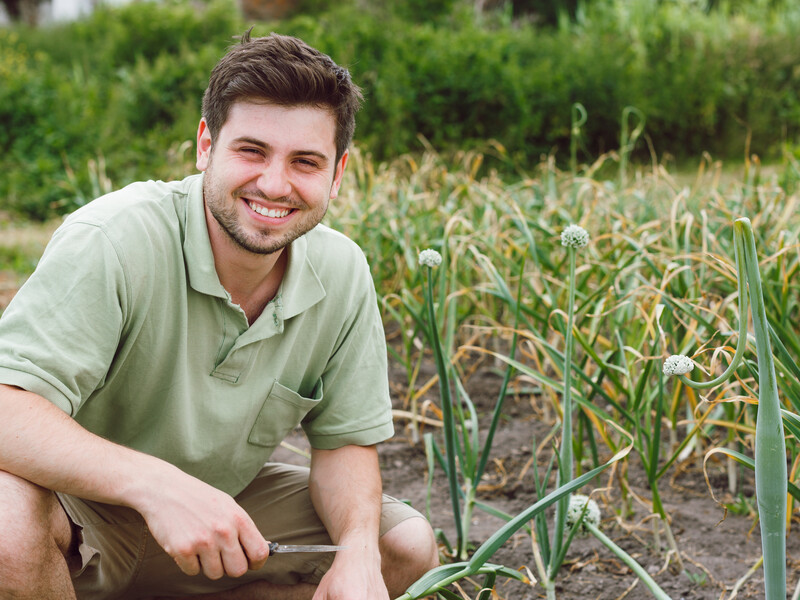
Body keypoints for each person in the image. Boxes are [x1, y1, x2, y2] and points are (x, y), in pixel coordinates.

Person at [0, 30, 439, 600]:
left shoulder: (342, 271)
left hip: (219, 526)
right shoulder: (113, 239)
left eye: (305, 161)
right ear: (206, 145)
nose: (275, 184)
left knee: (401, 549)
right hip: (79, 515)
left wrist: (357, 551)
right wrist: (157, 485)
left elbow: (344, 444)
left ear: (337, 172)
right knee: (5, 522)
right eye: (252, 151)